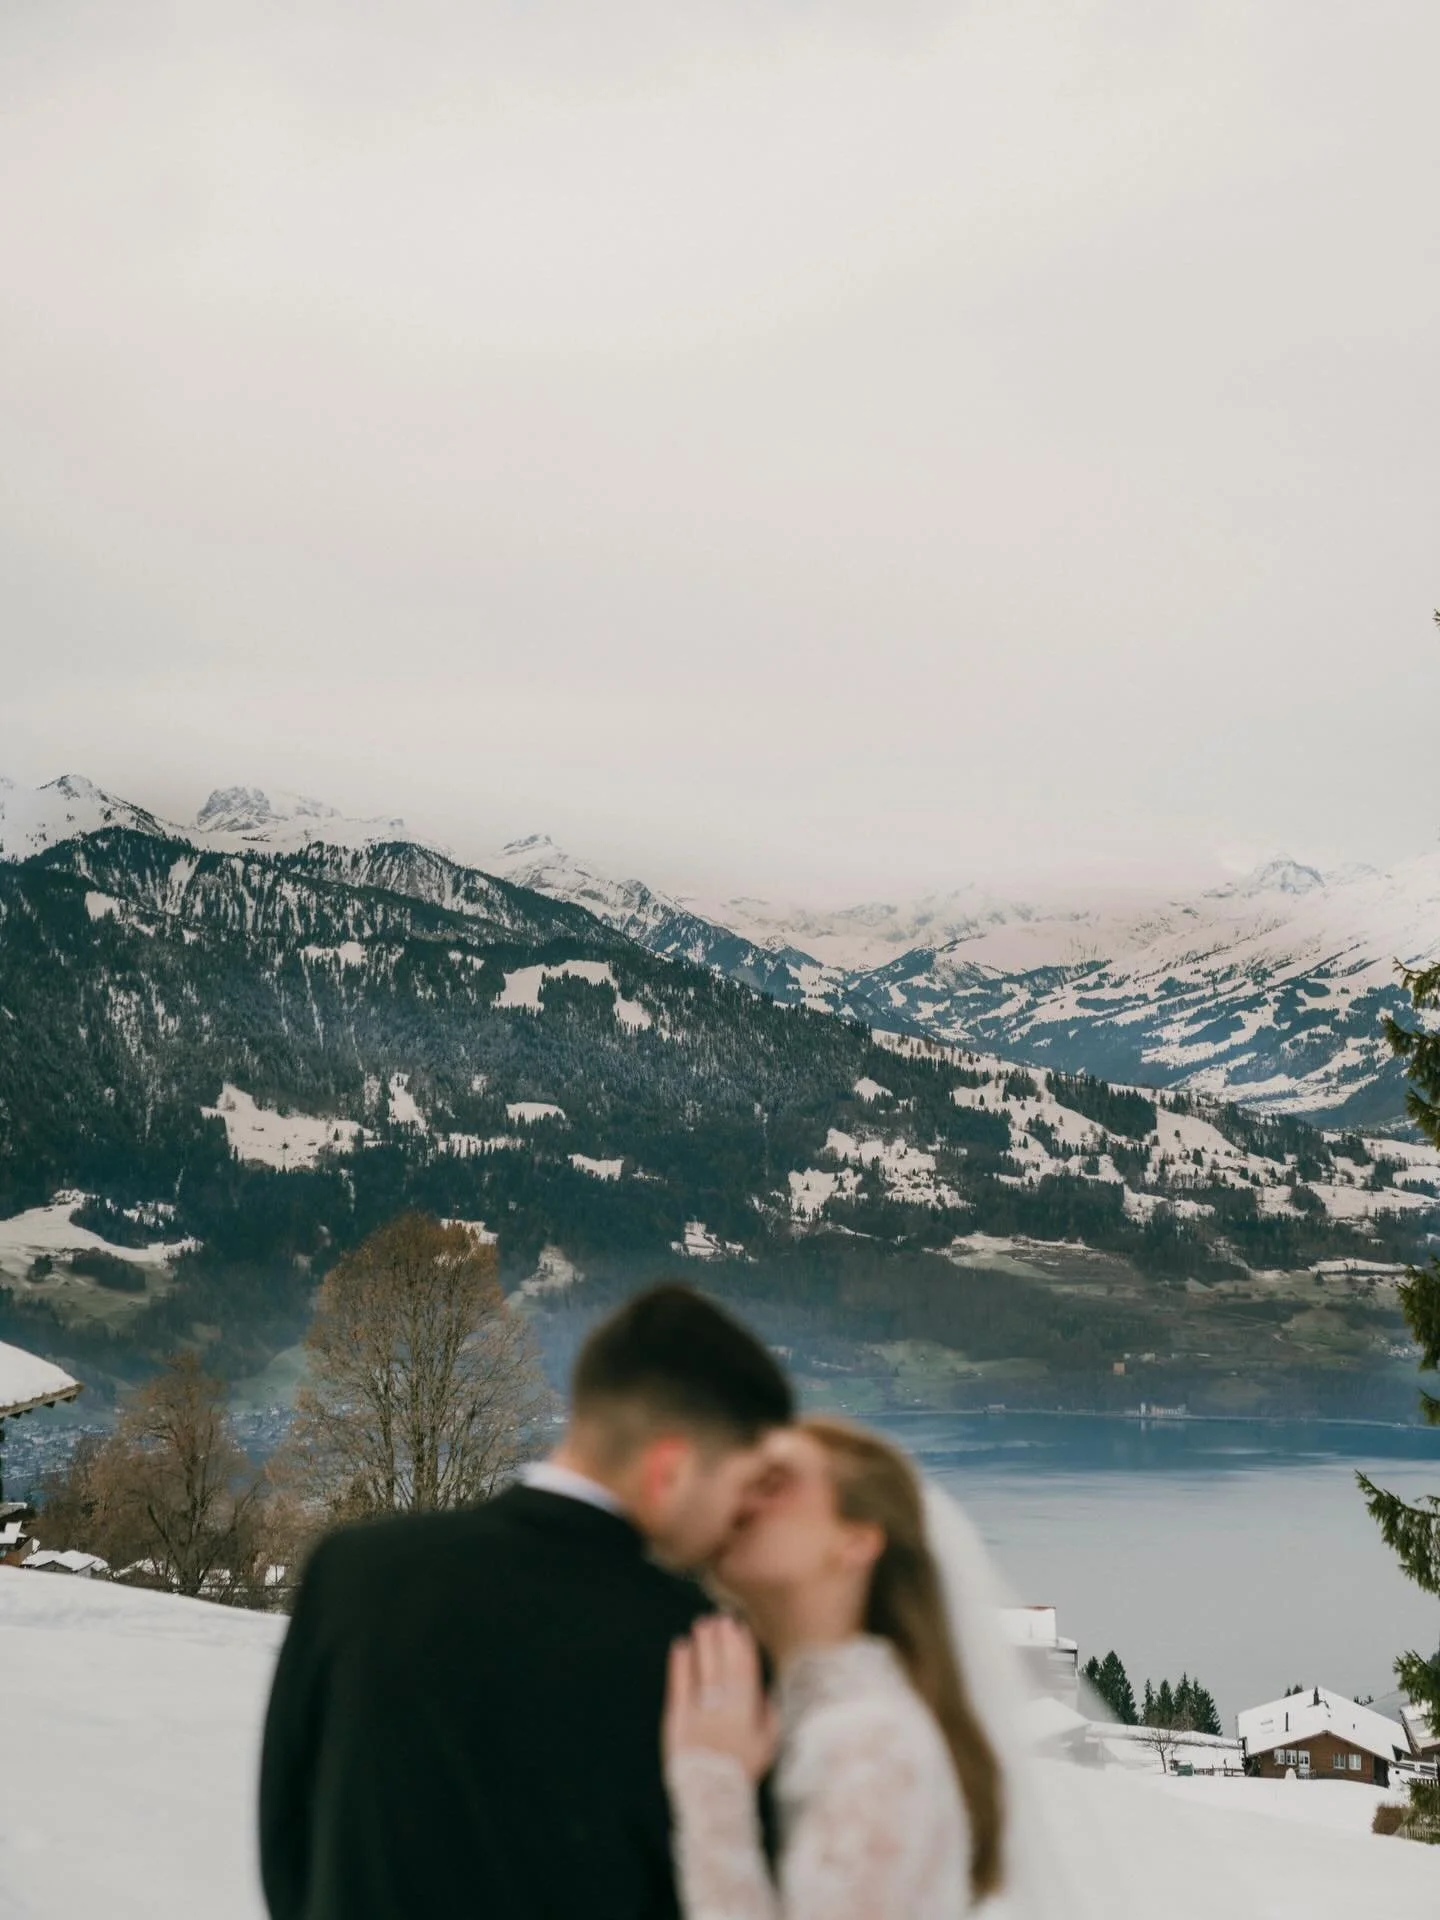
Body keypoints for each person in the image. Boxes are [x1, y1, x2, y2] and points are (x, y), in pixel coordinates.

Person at [259, 1282, 794, 1920]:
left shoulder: (353, 1572)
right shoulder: (708, 1657)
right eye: (743, 1484)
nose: (743, 1513)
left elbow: (287, 1853)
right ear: (670, 1471)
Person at [663, 1416, 1004, 1920]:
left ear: (856, 1541)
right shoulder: (808, 1720)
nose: (738, 1500)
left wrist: (712, 1787)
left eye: (773, 1484)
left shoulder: (873, 1743)